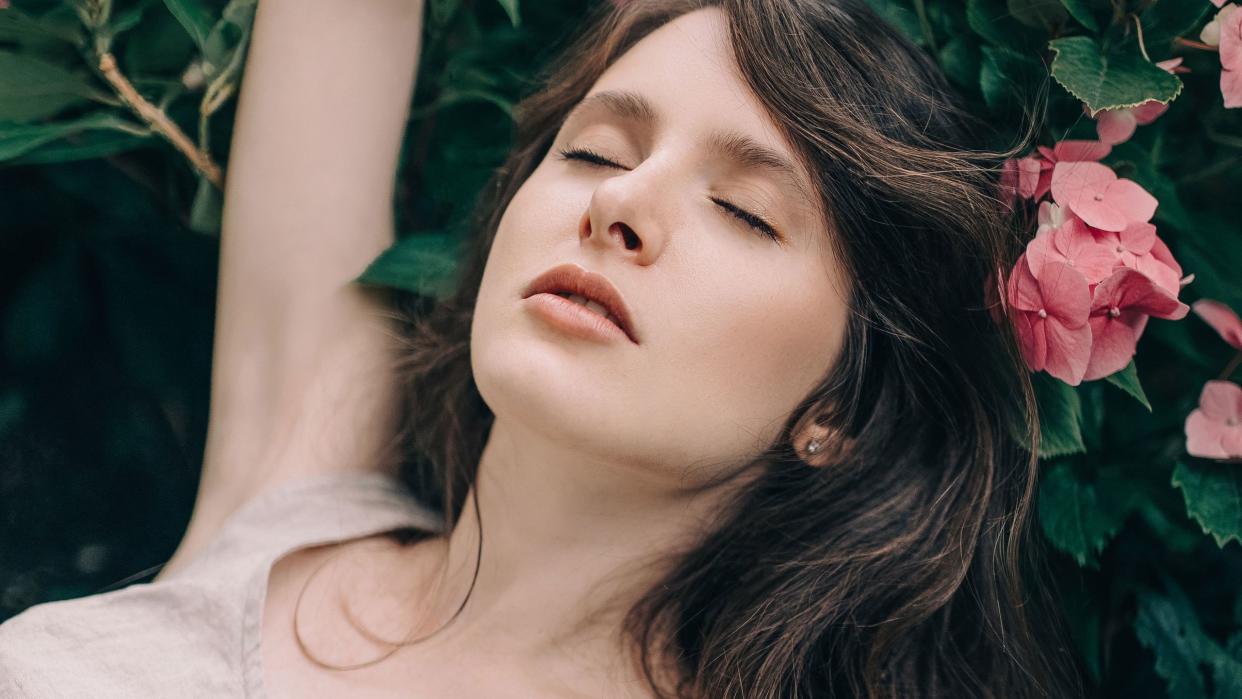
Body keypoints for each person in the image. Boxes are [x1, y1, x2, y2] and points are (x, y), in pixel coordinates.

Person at [0, 0, 1084, 697]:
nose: (622, 200)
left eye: (746, 213)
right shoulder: (290, 500)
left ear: (840, 409)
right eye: (597, 149)